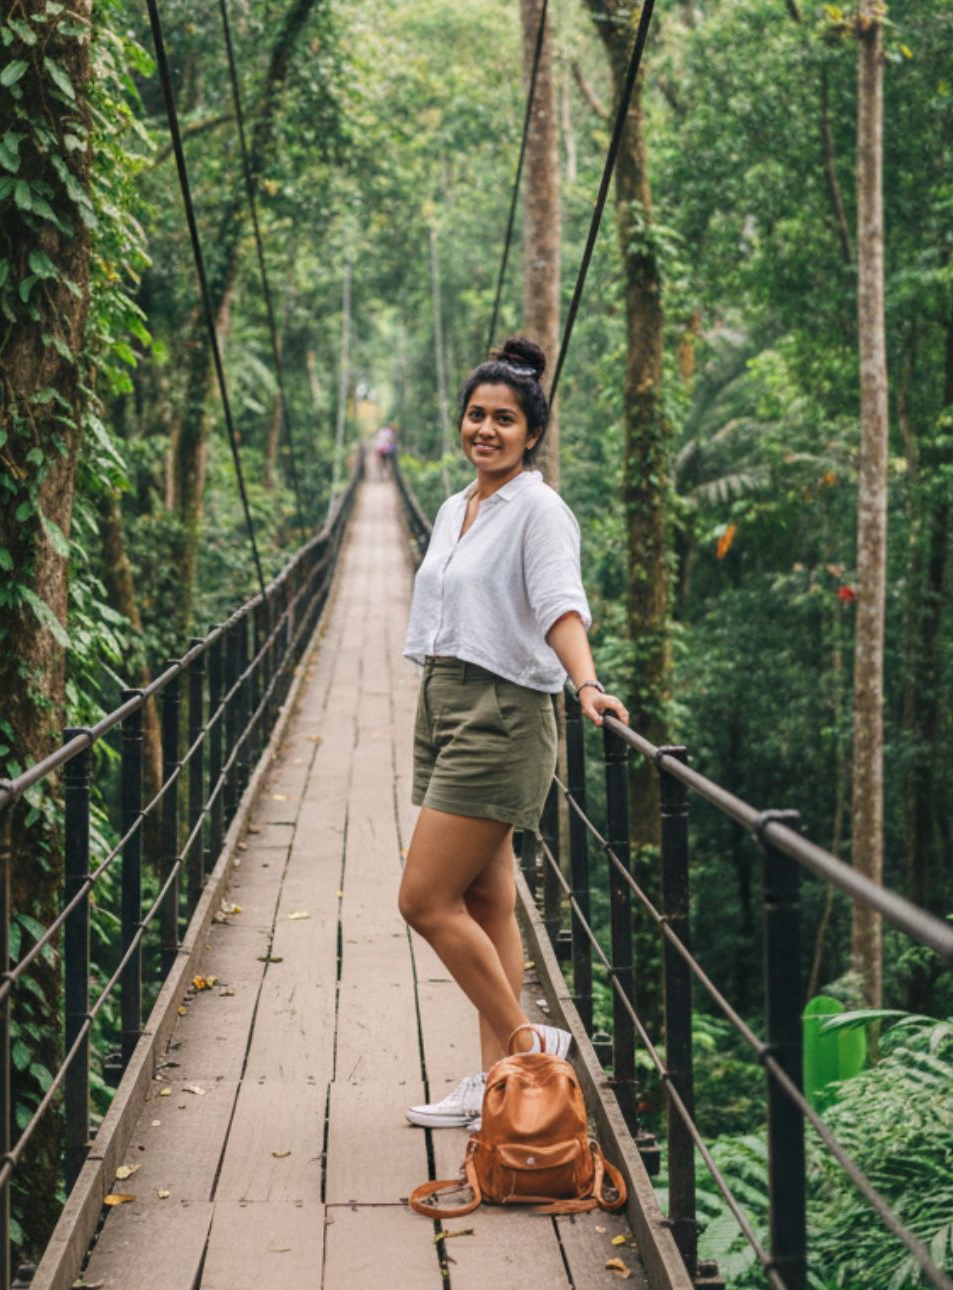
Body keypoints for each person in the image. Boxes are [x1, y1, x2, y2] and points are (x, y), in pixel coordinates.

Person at [397, 336, 629, 1132]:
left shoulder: (538, 509)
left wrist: (586, 681)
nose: (485, 430)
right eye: (475, 415)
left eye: (504, 419)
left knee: (424, 901)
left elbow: (561, 603)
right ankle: (498, 1084)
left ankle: (532, 1055)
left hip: (501, 715)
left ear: (532, 435)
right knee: (488, 898)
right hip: (444, 701)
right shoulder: (454, 506)